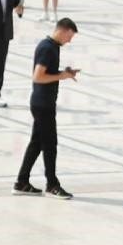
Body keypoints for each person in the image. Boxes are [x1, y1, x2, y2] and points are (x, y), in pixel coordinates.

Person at [14, 18, 79, 200]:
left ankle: (21, 182)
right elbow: (38, 77)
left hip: (44, 103)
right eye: (70, 36)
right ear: (63, 30)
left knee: (36, 144)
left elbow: (48, 72)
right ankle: (52, 185)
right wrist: (62, 76)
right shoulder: (47, 48)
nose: (70, 40)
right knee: (50, 145)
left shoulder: (52, 46)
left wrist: (64, 72)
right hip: (42, 105)